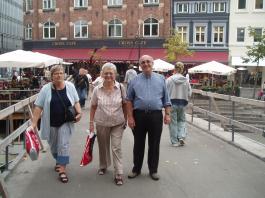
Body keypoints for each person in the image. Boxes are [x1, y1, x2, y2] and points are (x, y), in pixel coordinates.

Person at [30, 65, 82, 183]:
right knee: (53, 146)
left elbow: (76, 101)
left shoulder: (70, 86)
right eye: (56, 73)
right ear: (51, 76)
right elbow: (38, 106)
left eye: (61, 73)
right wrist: (34, 123)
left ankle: (62, 170)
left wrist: (79, 112)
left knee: (63, 144)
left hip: (65, 122)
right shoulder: (45, 89)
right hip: (51, 123)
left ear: (64, 74)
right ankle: (58, 160)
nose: (59, 75)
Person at [126, 55, 171, 181]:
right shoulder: (134, 80)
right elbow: (128, 100)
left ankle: (153, 170)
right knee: (138, 144)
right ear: (140, 65)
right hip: (139, 115)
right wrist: (130, 117)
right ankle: (136, 169)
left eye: (148, 62)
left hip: (156, 116)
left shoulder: (161, 79)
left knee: (154, 144)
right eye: (143, 62)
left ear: (152, 63)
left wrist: (167, 114)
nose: (146, 64)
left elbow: (166, 100)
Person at [89, 62, 127, 186]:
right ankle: (103, 165)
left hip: (117, 122)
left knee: (116, 146)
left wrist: (126, 119)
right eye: (106, 73)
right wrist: (91, 123)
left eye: (111, 73)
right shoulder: (97, 89)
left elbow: (125, 105)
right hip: (102, 122)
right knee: (103, 146)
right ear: (102, 75)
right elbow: (93, 106)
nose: (108, 75)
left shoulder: (121, 88)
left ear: (115, 74)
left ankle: (118, 172)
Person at [166, 62, 192, 146]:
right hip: (182, 103)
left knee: (173, 122)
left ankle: (174, 142)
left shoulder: (169, 79)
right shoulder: (186, 80)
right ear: (182, 69)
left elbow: (165, 92)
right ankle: (181, 136)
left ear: (174, 69)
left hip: (172, 103)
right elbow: (189, 93)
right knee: (182, 120)